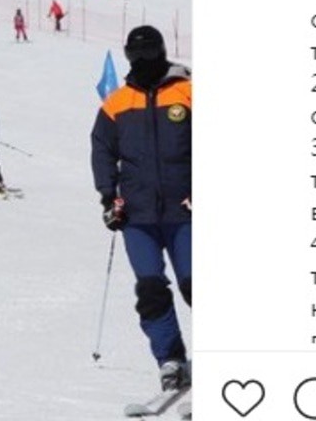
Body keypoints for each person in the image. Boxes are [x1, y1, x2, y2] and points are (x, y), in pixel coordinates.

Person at [90, 25, 192, 393]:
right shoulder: (117, 103)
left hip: (185, 211)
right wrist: (108, 197)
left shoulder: (188, 91)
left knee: (195, 283)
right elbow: (102, 151)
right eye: (138, 56)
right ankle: (170, 359)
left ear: (162, 53)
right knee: (150, 289)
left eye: (151, 54)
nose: (145, 62)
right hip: (138, 217)